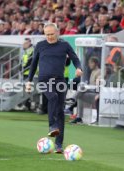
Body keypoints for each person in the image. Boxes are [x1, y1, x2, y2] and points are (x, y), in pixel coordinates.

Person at [26, 23, 82, 153]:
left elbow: (74, 58)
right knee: (53, 97)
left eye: (51, 34)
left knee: (60, 112)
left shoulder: (64, 45)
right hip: (44, 80)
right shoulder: (40, 46)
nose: (49, 37)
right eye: (47, 34)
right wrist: (28, 81)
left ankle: (59, 145)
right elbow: (33, 64)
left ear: (57, 33)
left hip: (60, 81)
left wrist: (79, 68)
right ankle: (52, 125)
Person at [70, 57, 101, 124]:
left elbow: (97, 85)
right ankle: (79, 118)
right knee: (80, 91)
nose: (89, 65)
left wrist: (87, 87)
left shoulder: (99, 72)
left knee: (81, 88)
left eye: (90, 63)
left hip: (96, 94)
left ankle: (72, 100)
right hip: (91, 91)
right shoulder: (92, 71)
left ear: (95, 63)